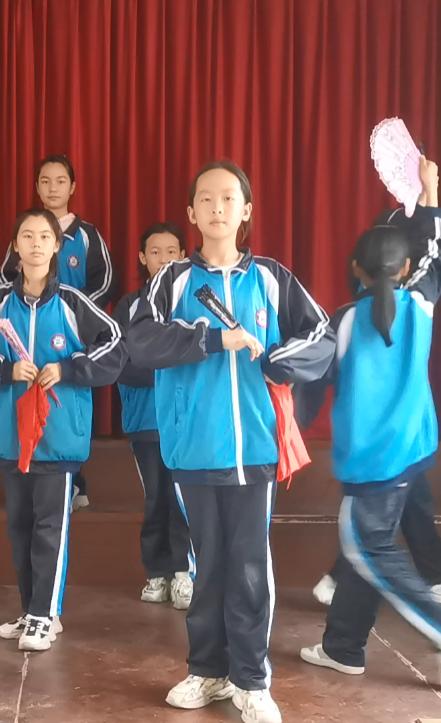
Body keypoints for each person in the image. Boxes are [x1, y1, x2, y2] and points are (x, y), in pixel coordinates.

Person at [127, 162, 336, 723]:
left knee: (247, 565)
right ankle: (207, 671)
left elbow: (321, 337)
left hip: (256, 449)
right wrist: (215, 338)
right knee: (206, 566)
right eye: (205, 199)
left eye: (228, 198)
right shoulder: (171, 281)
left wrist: (281, 360)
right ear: (191, 213)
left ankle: (250, 679)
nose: (217, 207)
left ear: (246, 211)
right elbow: (140, 341)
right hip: (192, 447)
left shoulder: (271, 277)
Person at [298, 157, 441, 688]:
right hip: (412, 449)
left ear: (355, 268)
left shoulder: (343, 322)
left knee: (366, 546)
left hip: (373, 460)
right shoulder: (421, 303)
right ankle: (343, 646)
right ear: (404, 270)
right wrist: (431, 191)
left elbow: (309, 377)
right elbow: (437, 250)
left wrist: (290, 421)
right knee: (362, 546)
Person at [0, 208, 125, 652]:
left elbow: (115, 348)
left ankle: (45, 614)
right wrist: (4, 370)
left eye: (44, 236)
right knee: (19, 527)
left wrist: (69, 368)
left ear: (57, 246)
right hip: (8, 433)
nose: (36, 244)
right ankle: (31, 609)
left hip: (57, 435)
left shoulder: (75, 303)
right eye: (27, 236)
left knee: (49, 527)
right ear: (14, 246)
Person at [0, 154, 118, 510]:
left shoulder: (86, 234)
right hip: (25, 336)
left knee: (69, 409)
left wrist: (74, 312)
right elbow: (5, 277)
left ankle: (75, 480)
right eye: (46, 181)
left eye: (60, 181)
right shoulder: (26, 230)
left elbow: (106, 281)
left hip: (70, 337)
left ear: (72, 187)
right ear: (37, 187)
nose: (53, 188)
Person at [114, 222, 192, 609]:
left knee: (183, 496)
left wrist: (158, 362)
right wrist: (169, 365)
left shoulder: (193, 297)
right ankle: (157, 572)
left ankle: (183, 572)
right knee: (156, 496)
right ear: (142, 258)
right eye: (155, 252)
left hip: (188, 419)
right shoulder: (129, 306)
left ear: (183, 256)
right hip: (146, 420)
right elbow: (122, 363)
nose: (163, 259)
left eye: (171, 252)